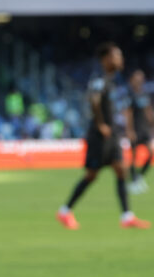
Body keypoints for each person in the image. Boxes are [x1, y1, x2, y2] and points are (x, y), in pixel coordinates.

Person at [56, 43, 150, 229]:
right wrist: (101, 124)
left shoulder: (113, 79)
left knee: (121, 170)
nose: (120, 59)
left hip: (112, 134)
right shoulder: (99, 79)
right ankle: (65, 211)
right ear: (106, 59)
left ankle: (127, 216)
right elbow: (93, 99)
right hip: (100, 136)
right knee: (91, 175)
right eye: (117, 56)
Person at [128, 69, 154, 194]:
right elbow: (128, 114)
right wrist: (130, 130)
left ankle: (139, 177)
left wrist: (152, 123)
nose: (140, 80)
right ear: (132, 79)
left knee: (151, 153)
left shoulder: (144, 94)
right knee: (133, 157)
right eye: (138, 77)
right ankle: (133, 181)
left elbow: (148, 110)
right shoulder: (130, 95)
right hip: (135, 129)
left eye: (142, 78)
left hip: (145, 129)